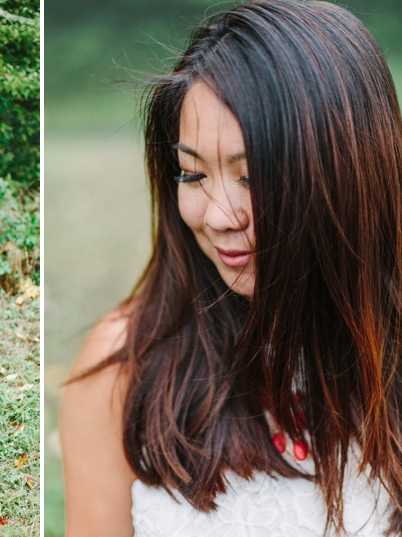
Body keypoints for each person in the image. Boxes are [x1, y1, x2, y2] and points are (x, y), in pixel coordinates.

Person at [60, 1, 402, 535]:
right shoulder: (123, 370)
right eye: (192, 175)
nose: (217, 217)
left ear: (347, 174)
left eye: (253, 176)